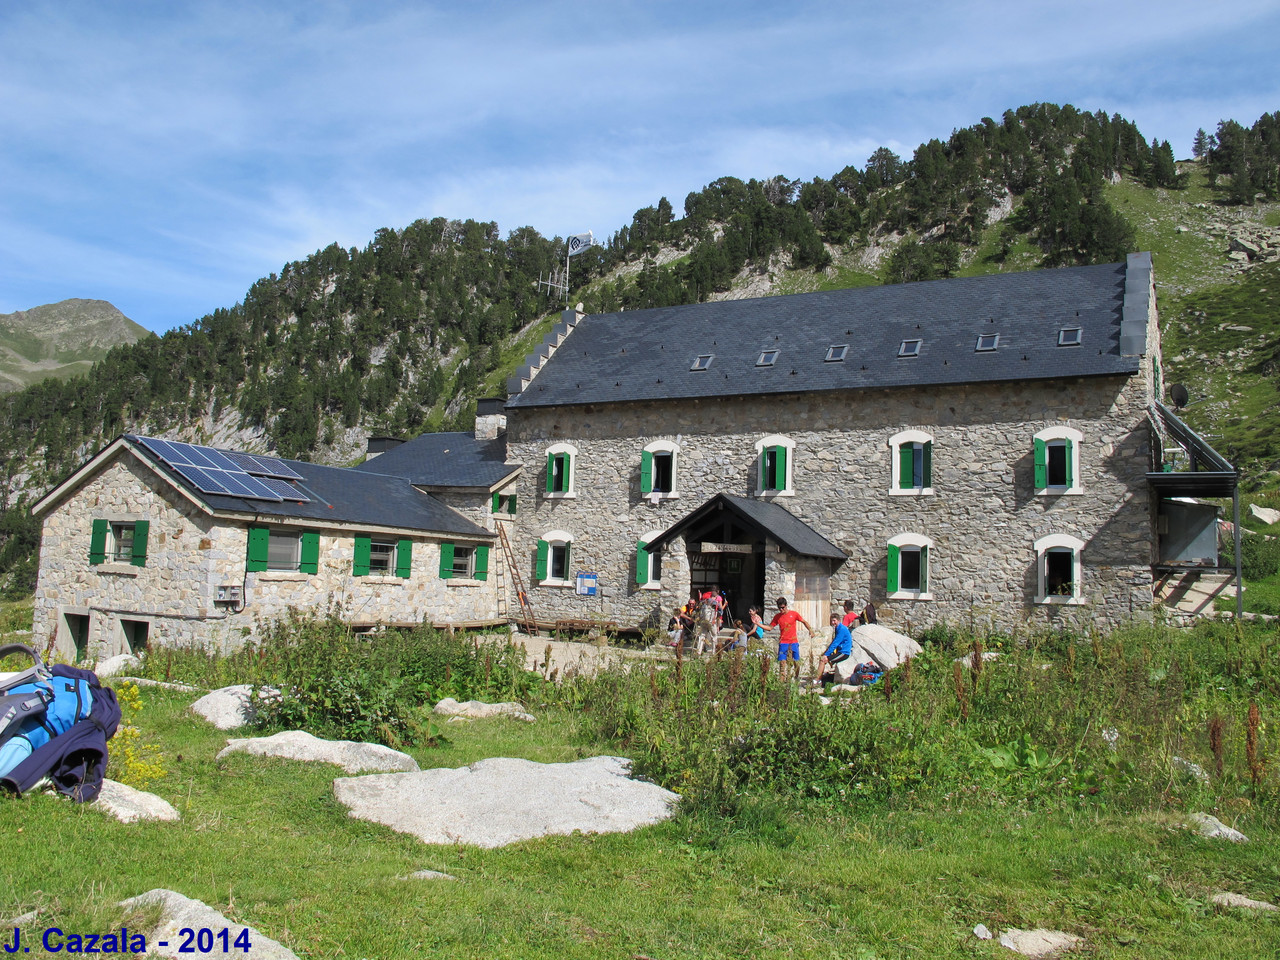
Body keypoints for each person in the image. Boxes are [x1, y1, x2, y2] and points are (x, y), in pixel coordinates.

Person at [768, 597, 812, 668]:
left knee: (796, 662)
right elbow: (770, 628)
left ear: (786, 605)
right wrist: (758, 624)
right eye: (779, 608)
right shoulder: (777, 617)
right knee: (782, 663)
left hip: (793, 642)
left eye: (782, 607)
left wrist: (810, 630)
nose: (781, 610)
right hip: (783, 643)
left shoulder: (794, 614)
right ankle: (782, 678)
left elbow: (804, 621)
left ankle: (796, 677)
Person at [819, 613, 854, 684]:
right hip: (840, 651)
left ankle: (817, 680)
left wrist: (826, 654)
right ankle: (821, 678)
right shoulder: (838, 628)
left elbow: (835, 643)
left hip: (844, 653)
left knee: (823, 660)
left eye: (834, 621)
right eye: (832, 621)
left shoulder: (842, 629)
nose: (833, 623)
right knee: (824, 658)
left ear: (839, 620)